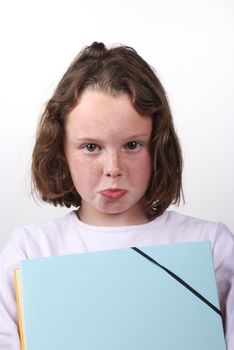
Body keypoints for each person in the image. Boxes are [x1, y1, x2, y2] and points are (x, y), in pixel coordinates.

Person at [0, 41, 233, 349]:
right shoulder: (30, 250)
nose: (113, 168)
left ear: (157, 147)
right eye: (91, 147)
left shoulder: (212, 245)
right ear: (61, 151)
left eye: (132, 145)